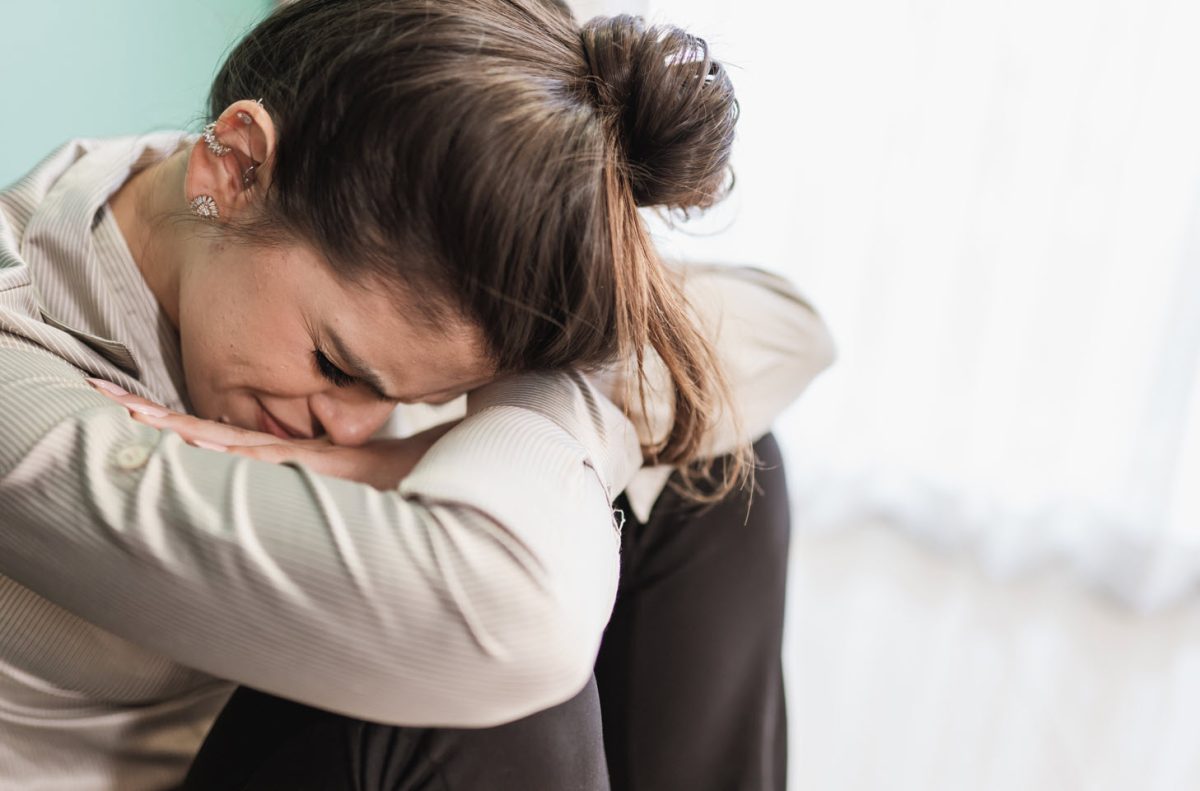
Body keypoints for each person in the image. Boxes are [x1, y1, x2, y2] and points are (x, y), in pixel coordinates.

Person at [0, 0, 834, 789]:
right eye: (338, 366)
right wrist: (508, 431)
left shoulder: (362, 230)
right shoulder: (16, 358)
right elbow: (516, 620)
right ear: (237, 163)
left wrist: (401, 458)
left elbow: (790, 328)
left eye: (421, 395)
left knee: (706, 473)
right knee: (479, 700)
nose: (353, 425)